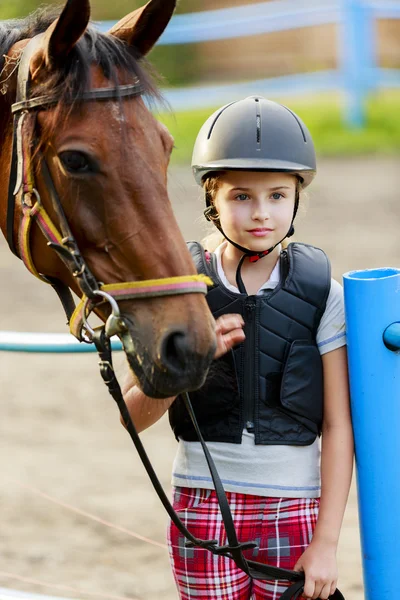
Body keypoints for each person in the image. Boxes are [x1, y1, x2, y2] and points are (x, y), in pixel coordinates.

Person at [121, 96, 353, 600]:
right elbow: (131, 417)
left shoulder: (323, 294)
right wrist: (187, 366)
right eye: (241, 197)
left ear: (296, 199)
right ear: (212, 198)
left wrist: (328, 542)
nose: (261, 213)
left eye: (277, 196)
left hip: (292, 511)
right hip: (201, 509)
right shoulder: (175, 292)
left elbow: (338, 425)